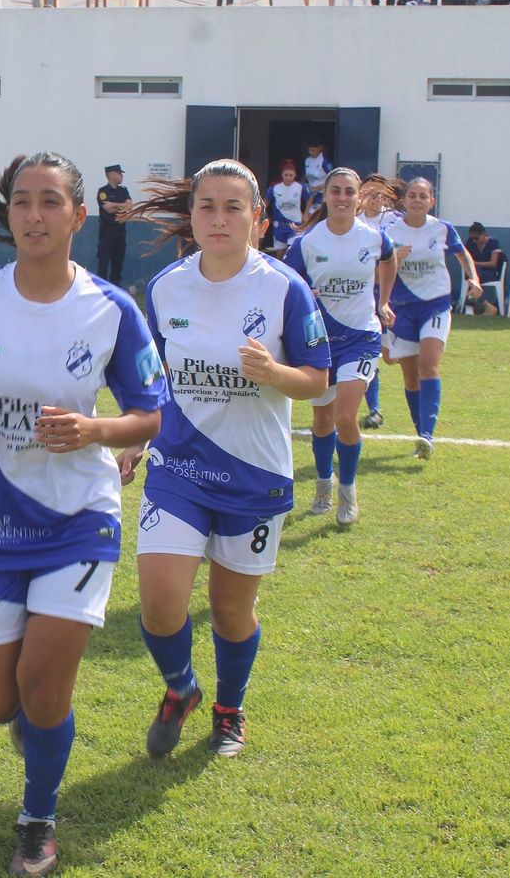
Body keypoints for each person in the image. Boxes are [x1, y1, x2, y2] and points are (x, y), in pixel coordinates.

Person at [0, 152, 163, 878]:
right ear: (7, 214)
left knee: (46, 687)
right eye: (22, 201)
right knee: (0, 705)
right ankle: (39, 734)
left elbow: (153, 414)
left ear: (79, 217)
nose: (34, 215)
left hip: (77, 516)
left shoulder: (110, 308)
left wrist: (96, 432)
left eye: (51, 202)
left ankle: (38, 818)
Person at [116, 159, 329, 761]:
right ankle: (180, 689)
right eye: (206, 205)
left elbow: (317, 380)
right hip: (180, 467)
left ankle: (229, 710)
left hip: (255, 477)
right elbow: (152, 380)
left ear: (258, 220)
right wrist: (136, 437)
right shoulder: (165, 288)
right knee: (159, 605)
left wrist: (275, 372)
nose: (218, 218)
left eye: (234, 207)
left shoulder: (285, 288)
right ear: (191, 217)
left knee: (233, 612)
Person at [284, 168, 395, 527]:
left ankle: (347, 489)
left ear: (359, 197)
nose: (343, 197)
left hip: (362, 336)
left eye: (350, 191)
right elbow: (288, 284)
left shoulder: (374, 237)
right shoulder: (308, 242)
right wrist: (306, 296)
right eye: (336, 191)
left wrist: (384, 301)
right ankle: (322, 484)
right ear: (325, 196)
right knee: (322, 420)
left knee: (347, 417)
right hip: (321, 342)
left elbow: (390, 260)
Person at [384, 177, 483, 458]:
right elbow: (378, 268)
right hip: (402, 308)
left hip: (435, 305)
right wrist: (394, 260)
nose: (417, 200)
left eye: (422, 196)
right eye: (412, 195)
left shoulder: (442, 229)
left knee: (429, 365)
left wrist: (472, 278)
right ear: (404, 200)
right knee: (411, 377)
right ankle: (421, 436)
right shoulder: (390, 231)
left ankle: (428, 433)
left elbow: (463, 255)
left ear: (431, 201)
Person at [356, 173, 406, 431]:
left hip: (392, 297)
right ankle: (374, 409)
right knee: (370, 353)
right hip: (362, 296)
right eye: (370, 193)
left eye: (380, 194)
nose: (375, 199)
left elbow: (404, 254)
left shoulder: (395, 222)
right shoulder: (353, 221)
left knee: (389, 356)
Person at [96, 163, 133, 284]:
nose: (122, 176)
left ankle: (116, 290)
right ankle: (101, 290)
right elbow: (107, 209)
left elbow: (129, 206)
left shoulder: (123, 191)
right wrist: (121, 207)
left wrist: (114, 205)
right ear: (111, 175)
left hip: (120, 233)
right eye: (119, 173)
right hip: (106, 234)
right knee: (103, 264)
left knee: (118, 264)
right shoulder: (103, 192)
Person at [267, 159, 308, 253]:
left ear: (295, 175)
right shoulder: (275, 187)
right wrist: (264, 215)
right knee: (280, 253)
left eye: (291, 175)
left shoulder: (300, 186)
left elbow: (310, 197)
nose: (288, 178)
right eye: (286, 175)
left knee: (291, 250)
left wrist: (306, 213)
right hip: (279, 224)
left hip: (295, 223)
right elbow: (266, 201)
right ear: (282, 175)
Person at [464, 222, 504, 314]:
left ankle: (470, 305)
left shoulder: (493, 243)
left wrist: (477, 264)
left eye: (476, 238)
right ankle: (471, 305)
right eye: (472, 238)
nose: (474, 241)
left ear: (483, 234)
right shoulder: (470, 243)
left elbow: (493, 263)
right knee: (473, 275)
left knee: (474, 276)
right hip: (474, 272)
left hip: (489, 273)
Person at [303, 141, 332, 210]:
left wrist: (318, 187)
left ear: (319, 148)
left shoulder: (324, 161)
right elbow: (305, 176)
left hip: (321, 193)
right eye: (309, 150)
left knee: (313, 212)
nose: (311, 152)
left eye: (313, 150)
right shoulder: (307, 160)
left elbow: (332, 178)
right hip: (310, 193)